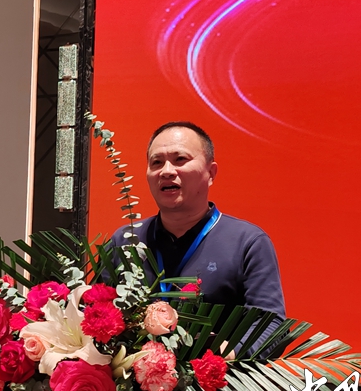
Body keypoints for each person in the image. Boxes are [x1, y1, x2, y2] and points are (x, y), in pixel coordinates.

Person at [110, 121, 285, 356]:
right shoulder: (125, 241)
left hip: (216, 375)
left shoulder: (247, 242)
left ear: (210, 173)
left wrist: (219, 357)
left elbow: (270, 325)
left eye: (180, 159)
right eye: (157, 162)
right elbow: (96, 312)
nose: (167, 171)